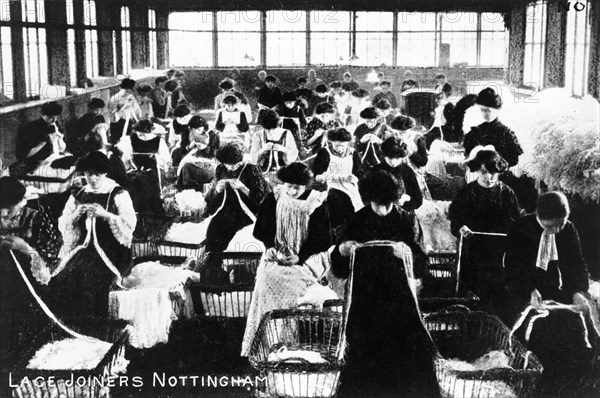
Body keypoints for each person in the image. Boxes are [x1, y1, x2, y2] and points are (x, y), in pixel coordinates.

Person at [330, 170, 438, 398]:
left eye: (388, 204)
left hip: (399, 297)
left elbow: (421, 265)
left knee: (407, 355)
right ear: (368, 200)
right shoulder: (356, 221)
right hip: (364, 298)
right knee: (363, 358)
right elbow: (338, 268)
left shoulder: (407, 220)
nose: (383, 209)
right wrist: (342, 250)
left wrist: (407, 252)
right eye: (378, 204)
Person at [241, 162, 332, 356]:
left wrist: (300, 256)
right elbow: (261, 229)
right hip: (279, 255)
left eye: (297, 187)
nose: (292, 191)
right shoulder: (275, 196)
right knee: (267, 278)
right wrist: (271, 247)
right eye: (289, 186)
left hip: (308, 257)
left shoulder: (315, 202)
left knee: (299, 288)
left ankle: (295, 346)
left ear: (305, 186)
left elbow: (323, 239)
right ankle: (267, 344)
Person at [55, 152, 136, 317]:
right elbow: (64, 223)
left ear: (105, 173)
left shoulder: (118, 193)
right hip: (85, 247)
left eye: (97, 174)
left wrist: (106, 215)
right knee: (66, 276)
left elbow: (130, 224)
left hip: (112, 249)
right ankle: (73, 320)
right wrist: (77, 213)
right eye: (88, 174)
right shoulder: (78, 194)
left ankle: (95, 321)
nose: (92, 178)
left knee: (92, 280)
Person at [0, 177, 62, 384]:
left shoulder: (35, 217)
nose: (3, 215)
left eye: (9, 209)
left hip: (29, 286)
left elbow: (52, 256)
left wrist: (25, 248)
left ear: (20, 203)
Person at [448, 148, 520, 319]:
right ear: (477, 170)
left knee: (499, 292)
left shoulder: (507, 193)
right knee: (475, 290)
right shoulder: (467, 193)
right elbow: (456, 221)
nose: (490, 177)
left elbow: (516, 223)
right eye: (484, 172)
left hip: (498, 252)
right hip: (473, 250)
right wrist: (461, 228)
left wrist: (512, 234)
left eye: (494, 173)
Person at [505, 191, 590, 319]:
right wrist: (529, 290)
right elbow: (513, 266)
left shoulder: (569, 229)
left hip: (560, 290)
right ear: (539, 217)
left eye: (560, 224)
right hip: (526, 290)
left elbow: (577, 263)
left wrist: (577, 291)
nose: (556, 230)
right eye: (549, 226)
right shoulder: (520, 227)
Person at [204, 143, 271, 253]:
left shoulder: (251, 169)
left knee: (233, 233)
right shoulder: (221, 169)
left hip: (247, 212)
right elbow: (209, 197)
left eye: (234, 165)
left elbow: (261, 198)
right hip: (225, 209)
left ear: (240, 161)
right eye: (227, 165)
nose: (230, 168)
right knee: (213, 229)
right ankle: (213, 263)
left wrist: (243, 188)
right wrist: (217, 189)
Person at [312, 128, 364, 229]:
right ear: (331, 143)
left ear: (348, 144)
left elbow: (360, 172)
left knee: (356, 207)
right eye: (336, 146)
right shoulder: (324, 152)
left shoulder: (353, 153)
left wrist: (355, 178)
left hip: (349, 185)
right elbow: (317, 173)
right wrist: (321, 177)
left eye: (343, 146)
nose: (340, 149)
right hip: (330, 184)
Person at [117, 120, 170, 214]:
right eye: (140, 135)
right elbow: (125, 158)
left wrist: (157, 158)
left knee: (150, 186)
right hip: (135, 171)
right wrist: (129, 161)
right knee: (134, 183)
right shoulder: (130, 140)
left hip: (153, 172)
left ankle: (151, 212)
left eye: (146, 135)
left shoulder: (159, 141)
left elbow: (165, 160)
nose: (143, 137)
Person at [464, 88, 523, 168]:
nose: (485, 114)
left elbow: (513, 160)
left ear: (497, 110)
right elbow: (468, 155)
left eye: (488, 110)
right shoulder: (475, 132)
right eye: (482, 110)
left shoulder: (506, 133)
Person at [14, 102, 66, 176]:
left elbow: (63, 149)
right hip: (37, 165)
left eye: (56, 116)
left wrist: (60, 139)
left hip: (53, 159)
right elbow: (23, 155)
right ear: (43, 115)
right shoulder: (31, 128)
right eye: (51, 117)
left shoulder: (56, 124)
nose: (54, 120)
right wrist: (44, 141)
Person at [372, 137, 423, 212]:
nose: (393, 162)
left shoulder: (407, 171)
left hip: (402, 213)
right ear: (384, 155)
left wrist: (406, 198)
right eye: (390, 158)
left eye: (397, 158)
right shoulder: (375, 171)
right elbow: (367, 197)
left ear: (402, 158)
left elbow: (418, 199)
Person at [176, 115, 220, 190]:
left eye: (199, 129)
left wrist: (205, 148)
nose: (196, 131)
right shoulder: (187, 133)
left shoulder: (212, 134)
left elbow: (215, 153)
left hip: (207, 161)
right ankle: (185, 189)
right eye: (194, 129)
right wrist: (189, 147)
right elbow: (182, 150)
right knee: (185, 166)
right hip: (191, 159)